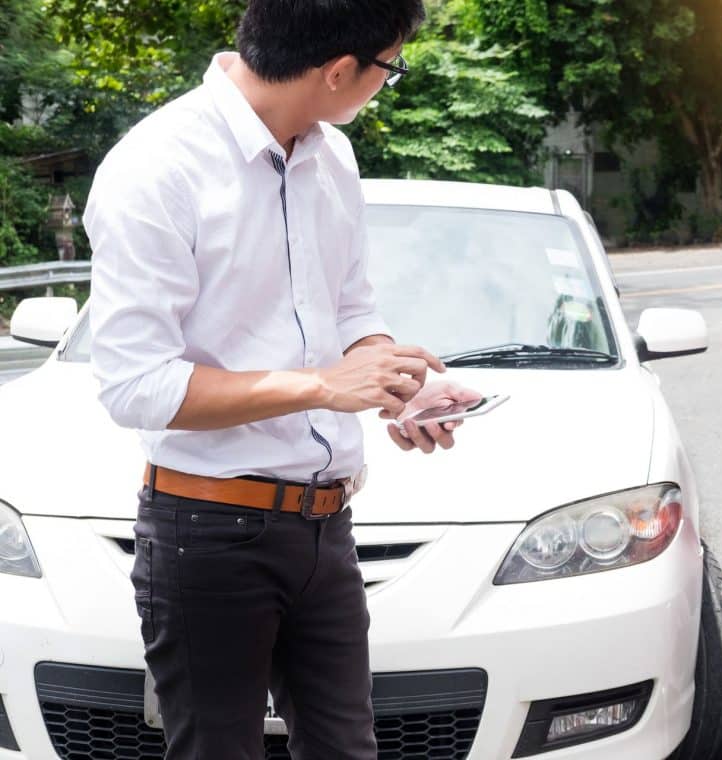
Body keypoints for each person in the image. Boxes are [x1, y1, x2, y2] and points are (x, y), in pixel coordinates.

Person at [83, 1, 480, 757]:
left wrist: (398, 382)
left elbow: (351, 306)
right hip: (207, 532)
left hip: (325, 527)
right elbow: (136, 387)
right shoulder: (155, 167)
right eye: (390, 68)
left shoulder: (332, 156)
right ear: (338, 72)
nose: (385, 83)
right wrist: (323, 387)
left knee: (347, 749)